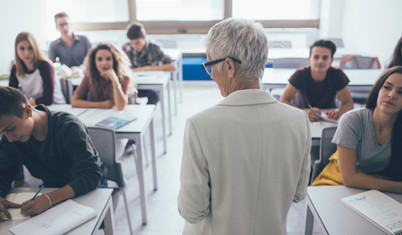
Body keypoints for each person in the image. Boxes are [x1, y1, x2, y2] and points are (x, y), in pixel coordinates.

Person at [177, 18, 311, 235]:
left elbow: (192, 211)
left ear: (229, 66)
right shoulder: (299, 120)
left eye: (210, 65)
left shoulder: (200, 125)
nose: (210, 74)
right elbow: (298, 194)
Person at [0, 86, 104, 220]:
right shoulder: (11, 138)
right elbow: (3, 172)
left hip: (89, 188)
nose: (9, 138)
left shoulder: (68, 126)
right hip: (51, 189)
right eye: (3, 132)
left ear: (27, 111)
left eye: (11, 129)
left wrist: (49, 199)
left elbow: (91, 175)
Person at [312, 66, 402, 193]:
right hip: (335, 184)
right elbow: (349, 178)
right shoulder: (352, 120)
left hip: (375, 190)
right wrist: (398, 187)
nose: (392, 95)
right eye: (387, 87)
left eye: (401, 92)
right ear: (378, 90)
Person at [279, 39, 353, 122]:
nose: (320, 61)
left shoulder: (338, 74)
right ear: (309, 60)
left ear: (331, 61)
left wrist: (338, 112)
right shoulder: (300, 74)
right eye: (316, 57)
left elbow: (348, 103)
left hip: (329, 119)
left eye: (325, 58)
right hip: (304, 118)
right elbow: (283, 101)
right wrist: (303, 112)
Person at [71, 43, 136, 110]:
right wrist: (101, 105)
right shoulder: (89, 76)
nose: (104, 63)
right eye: (100, 59)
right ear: (94, 62)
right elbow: (74, 102)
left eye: (108, 59)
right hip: (97, 114)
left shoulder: (124, 77)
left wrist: (115, 80)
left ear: (115, 60)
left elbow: (120, 106)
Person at [122, 22, 175, 104]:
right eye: (132, 43)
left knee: (154, 96)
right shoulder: (126, 48)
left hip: (152, 85)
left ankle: (150, 115)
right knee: (126, 96)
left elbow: (172, 67)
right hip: (134, 85)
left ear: (144, 37)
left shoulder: (154, 47)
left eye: (137, 43)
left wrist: (147, 69)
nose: (134, 46)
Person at [9, 32, 66, 106]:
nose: (26, 53)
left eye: (30, 48)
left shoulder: (45, 66)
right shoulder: (15, 68)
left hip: (56, 106)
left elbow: (48, 99)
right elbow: (11, 96)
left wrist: (24, 103)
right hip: (35, 106)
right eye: (22, 48)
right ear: (16, 50)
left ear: (35, 48)